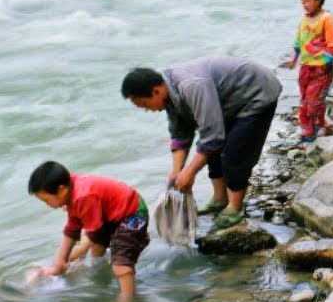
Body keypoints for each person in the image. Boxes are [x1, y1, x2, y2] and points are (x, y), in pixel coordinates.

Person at [121, 56, 282, 229]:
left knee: (234, 153)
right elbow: (180, 133)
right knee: (211, 151)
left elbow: (213, 136)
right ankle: (220, 199)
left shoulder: (191, 85)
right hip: (229, 100)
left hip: (256, 91)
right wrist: (176, 172)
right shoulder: (170, 93)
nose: (147, 110)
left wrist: (190, 172)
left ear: (156, 91)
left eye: (145, 104)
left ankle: (235, 207)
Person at [28, 161, 149, 302]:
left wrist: (76, 253)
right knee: (97, 248)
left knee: (120, 264)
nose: (47, 205)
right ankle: (101, 275)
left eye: (46, 200)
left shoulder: (83, 196)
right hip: (113, 214)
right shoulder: (72, 190)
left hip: (133, 213)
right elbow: (72, 228)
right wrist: (60, 264)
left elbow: (94, 231)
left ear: (61, 190)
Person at [286, 0, 333, 143]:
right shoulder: (305, 19)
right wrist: (294, 58)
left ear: (319, 0)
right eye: (303, 1)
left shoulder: (327, 19)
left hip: (321, 69)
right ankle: (309, 128)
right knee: (304, 99)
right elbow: (299, 40)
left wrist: (324, 63)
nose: (305, 4)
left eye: (308, 1)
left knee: (314, 100)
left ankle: (315, 129)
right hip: (305, 67)